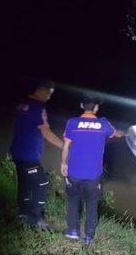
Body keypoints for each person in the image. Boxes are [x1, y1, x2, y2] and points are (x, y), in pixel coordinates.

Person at [60, 96, 124, 245]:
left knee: (73, 200)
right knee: (92, 204)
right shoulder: (103, 124)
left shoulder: (72, 122)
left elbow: (66, 146)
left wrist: (63, 163)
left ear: (82, 105)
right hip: (93, 174)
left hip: (74, 171)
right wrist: (124, 133)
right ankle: (88, 236)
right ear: (96, 108)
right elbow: (116, 134)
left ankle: (73, 231)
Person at [10, 80, 63, 230]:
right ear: (39, 89)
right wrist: (63, 146)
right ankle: (37, 219)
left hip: (17, 150)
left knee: (25, 184)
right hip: (28, 154)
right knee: (42, 183)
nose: (49, 97)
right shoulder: (39, 108)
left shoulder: (22, 104)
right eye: (48, 92)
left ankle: (23, 214)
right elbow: (46, 132)